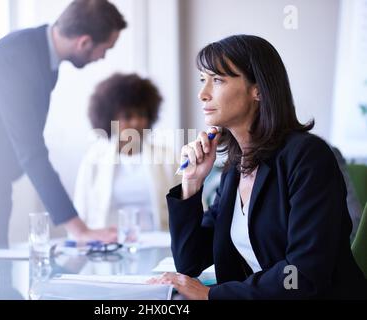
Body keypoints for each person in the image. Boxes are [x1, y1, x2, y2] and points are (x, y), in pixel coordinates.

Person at [149, 35, 367, 299]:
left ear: (259, 90)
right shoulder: (235, 169)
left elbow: (302, 275)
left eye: (217, 80)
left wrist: (211, 296)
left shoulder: (307, 157)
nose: (203, 93)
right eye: (203, 80)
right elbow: (190, 262)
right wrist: (192, 183)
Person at [0, 0, 127, 250]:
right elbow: (31, 150)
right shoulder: (17, 59)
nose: (102, 57)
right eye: (105, 49)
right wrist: (78, 229)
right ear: (84, 41)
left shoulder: (41, 56)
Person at [74, 73, 179, 233]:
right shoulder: (94, 160)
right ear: (110, 120)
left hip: (160, 242)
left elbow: (188, 207)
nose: (136, 122)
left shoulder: (168, 158)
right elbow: (81, 212)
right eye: (127, 116)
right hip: (107, 246)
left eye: (142, 115)